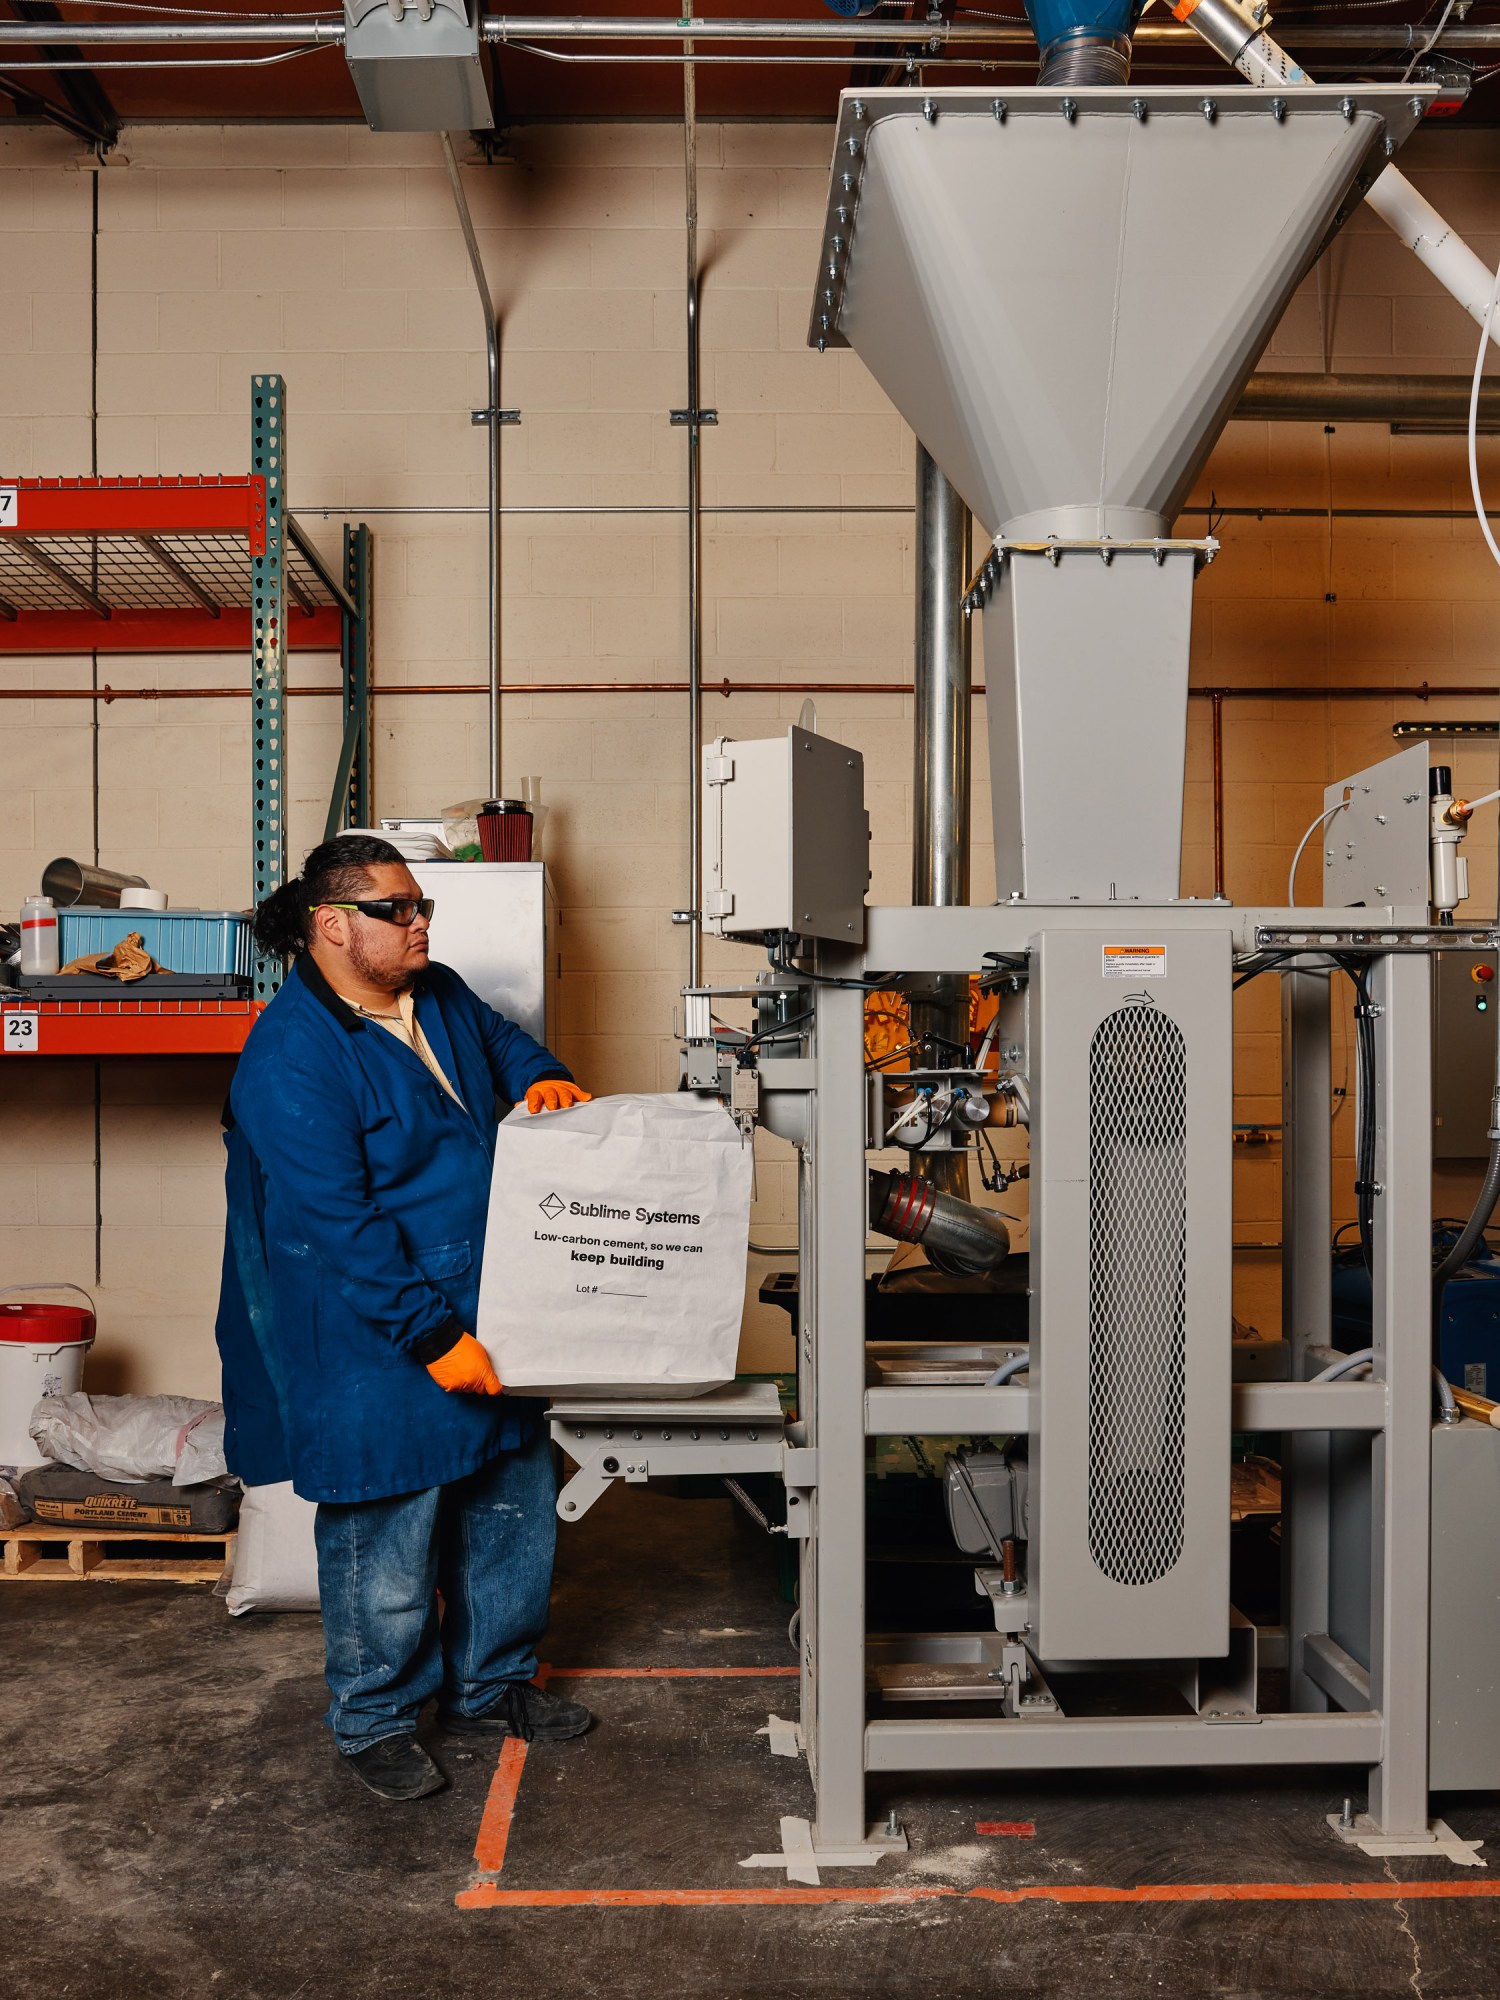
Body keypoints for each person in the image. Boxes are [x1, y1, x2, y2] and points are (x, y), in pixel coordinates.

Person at [216, 835, 594, 1802]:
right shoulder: (290, 1058)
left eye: (419, 904)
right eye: (397, 908)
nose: (420, 921)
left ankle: (492, 1685)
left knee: (511, 1511)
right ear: (332, 925)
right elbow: (340, 1227)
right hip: (373, 1336)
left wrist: (539, 1074)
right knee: (385, 1536)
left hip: (492, 1299)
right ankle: (375, 1718)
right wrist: (433, 1340)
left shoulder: (440, 990)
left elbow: (504, 1042)